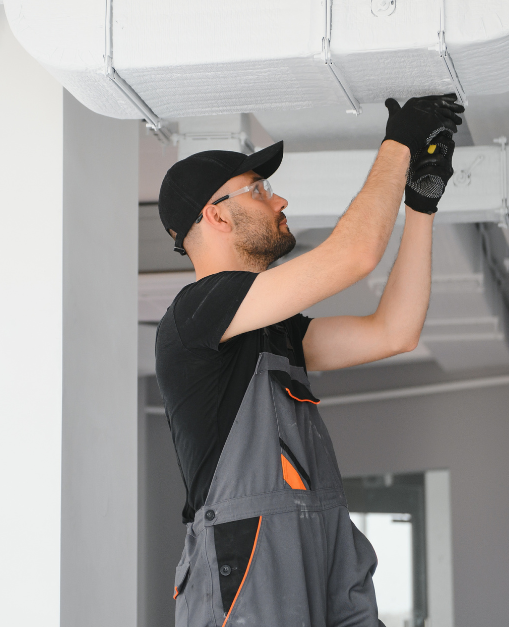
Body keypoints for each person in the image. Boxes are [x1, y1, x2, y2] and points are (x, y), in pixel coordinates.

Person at [155, 95, 463, 627]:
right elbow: (354, 256)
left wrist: (420, 207)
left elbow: (394, 332)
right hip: (253, 557)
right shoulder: (197, 313)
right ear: (215, 215)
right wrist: (399, 143)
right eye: (260, 191)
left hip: (318, 543)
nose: (279, 202)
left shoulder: (274, 330)